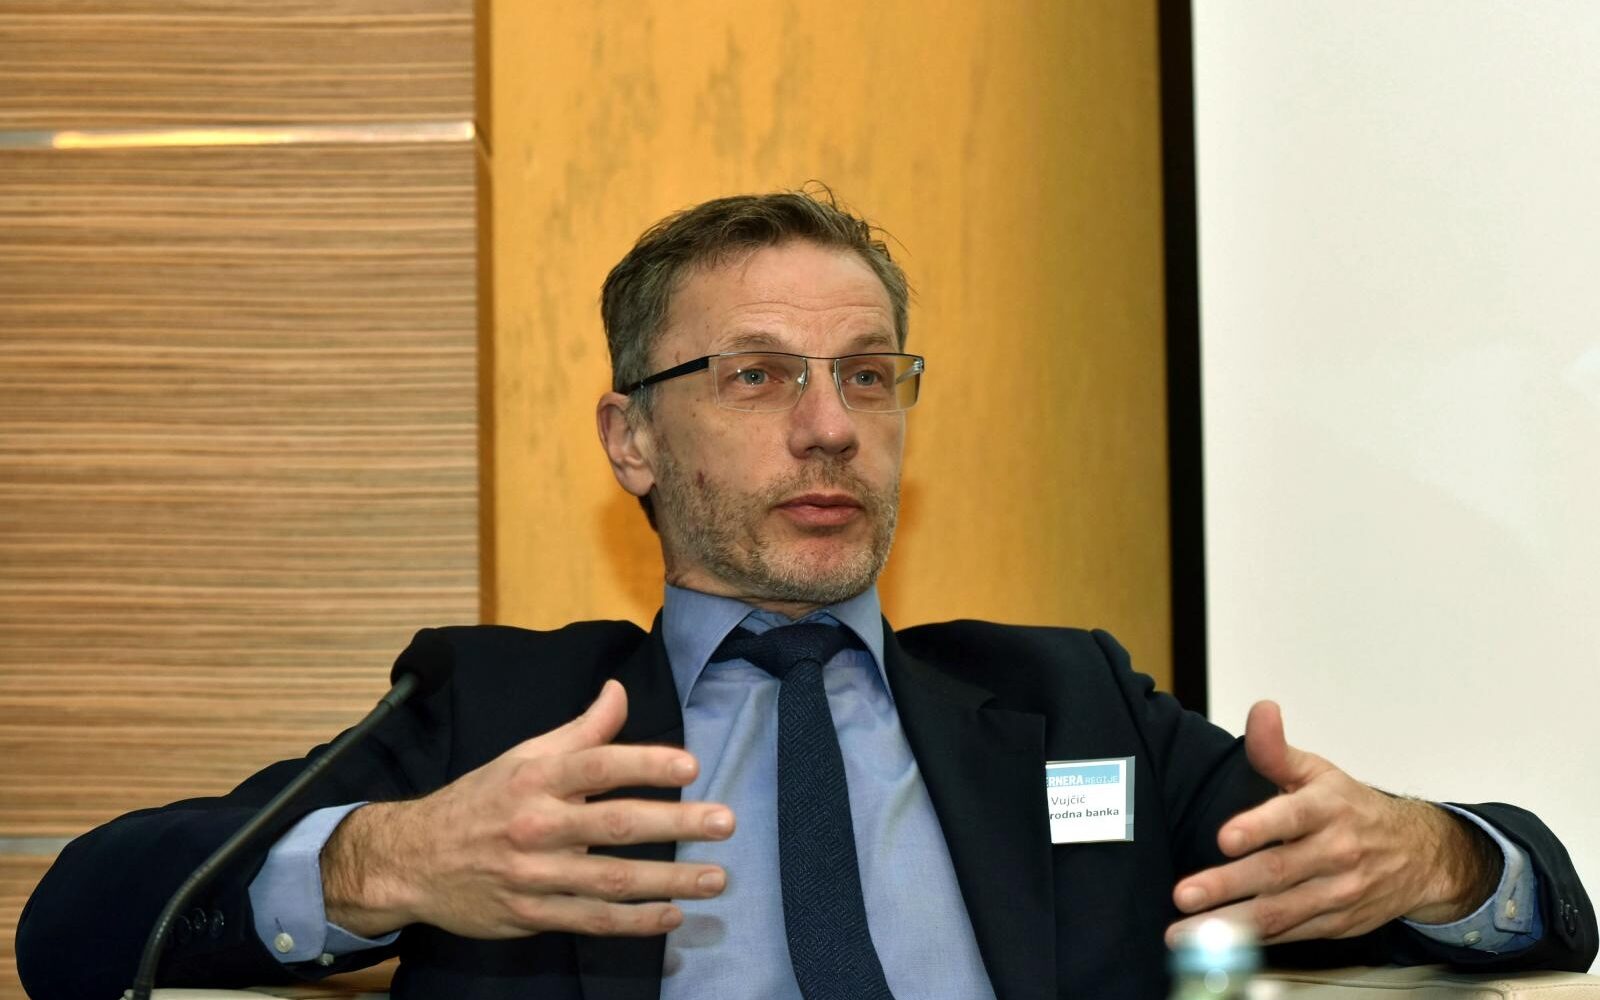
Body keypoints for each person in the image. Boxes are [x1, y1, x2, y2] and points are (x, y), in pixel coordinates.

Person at [16, 190, 1596, 1000]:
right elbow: (80, 927)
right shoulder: (501, 712)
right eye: (758, 376)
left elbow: (1537, 901)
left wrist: (1436, 855)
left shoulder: (1066, 706)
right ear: (632, 438)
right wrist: (383, 862)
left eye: (868, 374)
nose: (832, 426)